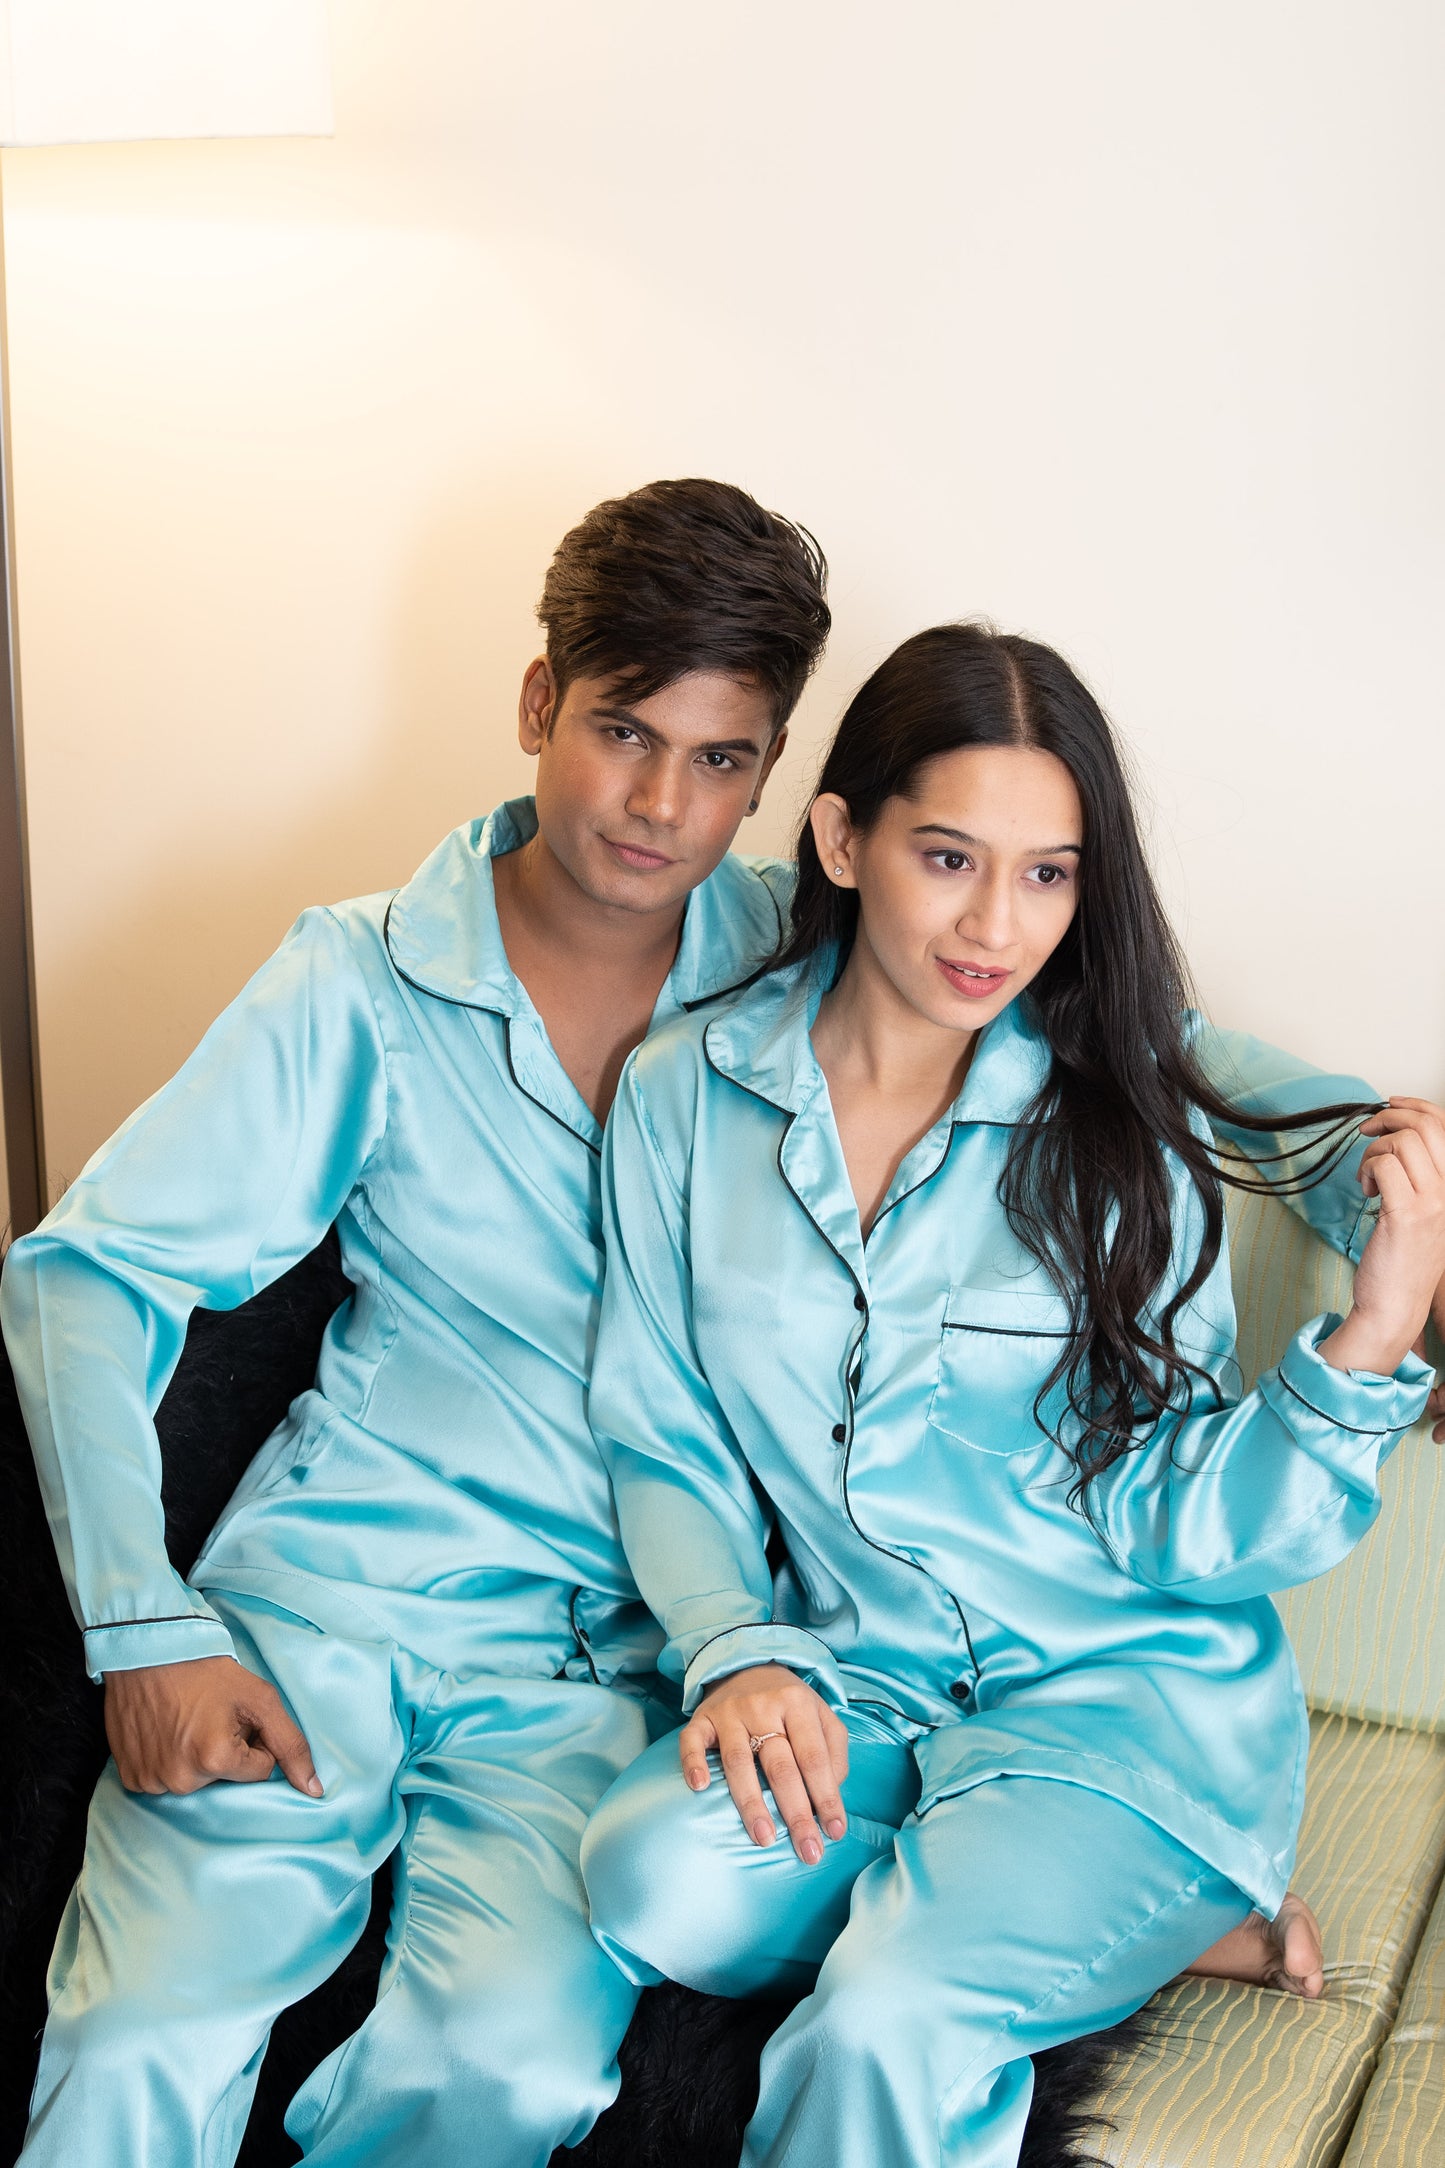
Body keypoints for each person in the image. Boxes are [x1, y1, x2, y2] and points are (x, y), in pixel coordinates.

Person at [1, 499, 1396, 2162]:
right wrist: (143, 1626)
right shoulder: (356, 984)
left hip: (605, 1672)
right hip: (345, 1599)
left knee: (509, 2067)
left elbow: (1147, 1040)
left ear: (778, 783)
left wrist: (1377, 1197)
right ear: (539, 704)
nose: (661, 805)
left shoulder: (801, 944)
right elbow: (83, 1275)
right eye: (622, 734)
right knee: (150, 2022)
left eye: (721, 758)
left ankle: (1091, 1904)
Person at [580, 622, 1444, 2168]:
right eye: (948, 859)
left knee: (884, 2019)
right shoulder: (681, 1096)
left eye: (1047, 875)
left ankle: (1086, 1897)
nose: (996, 924)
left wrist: (1369, 1338)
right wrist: (736, 1650)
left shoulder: (1124, 1128)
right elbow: (664, 1432)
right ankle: (1098, 1930)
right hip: (865, 1687)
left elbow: (1186, 1523)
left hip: (1118, 1712)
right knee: (650, 1879)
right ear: (839, 840)